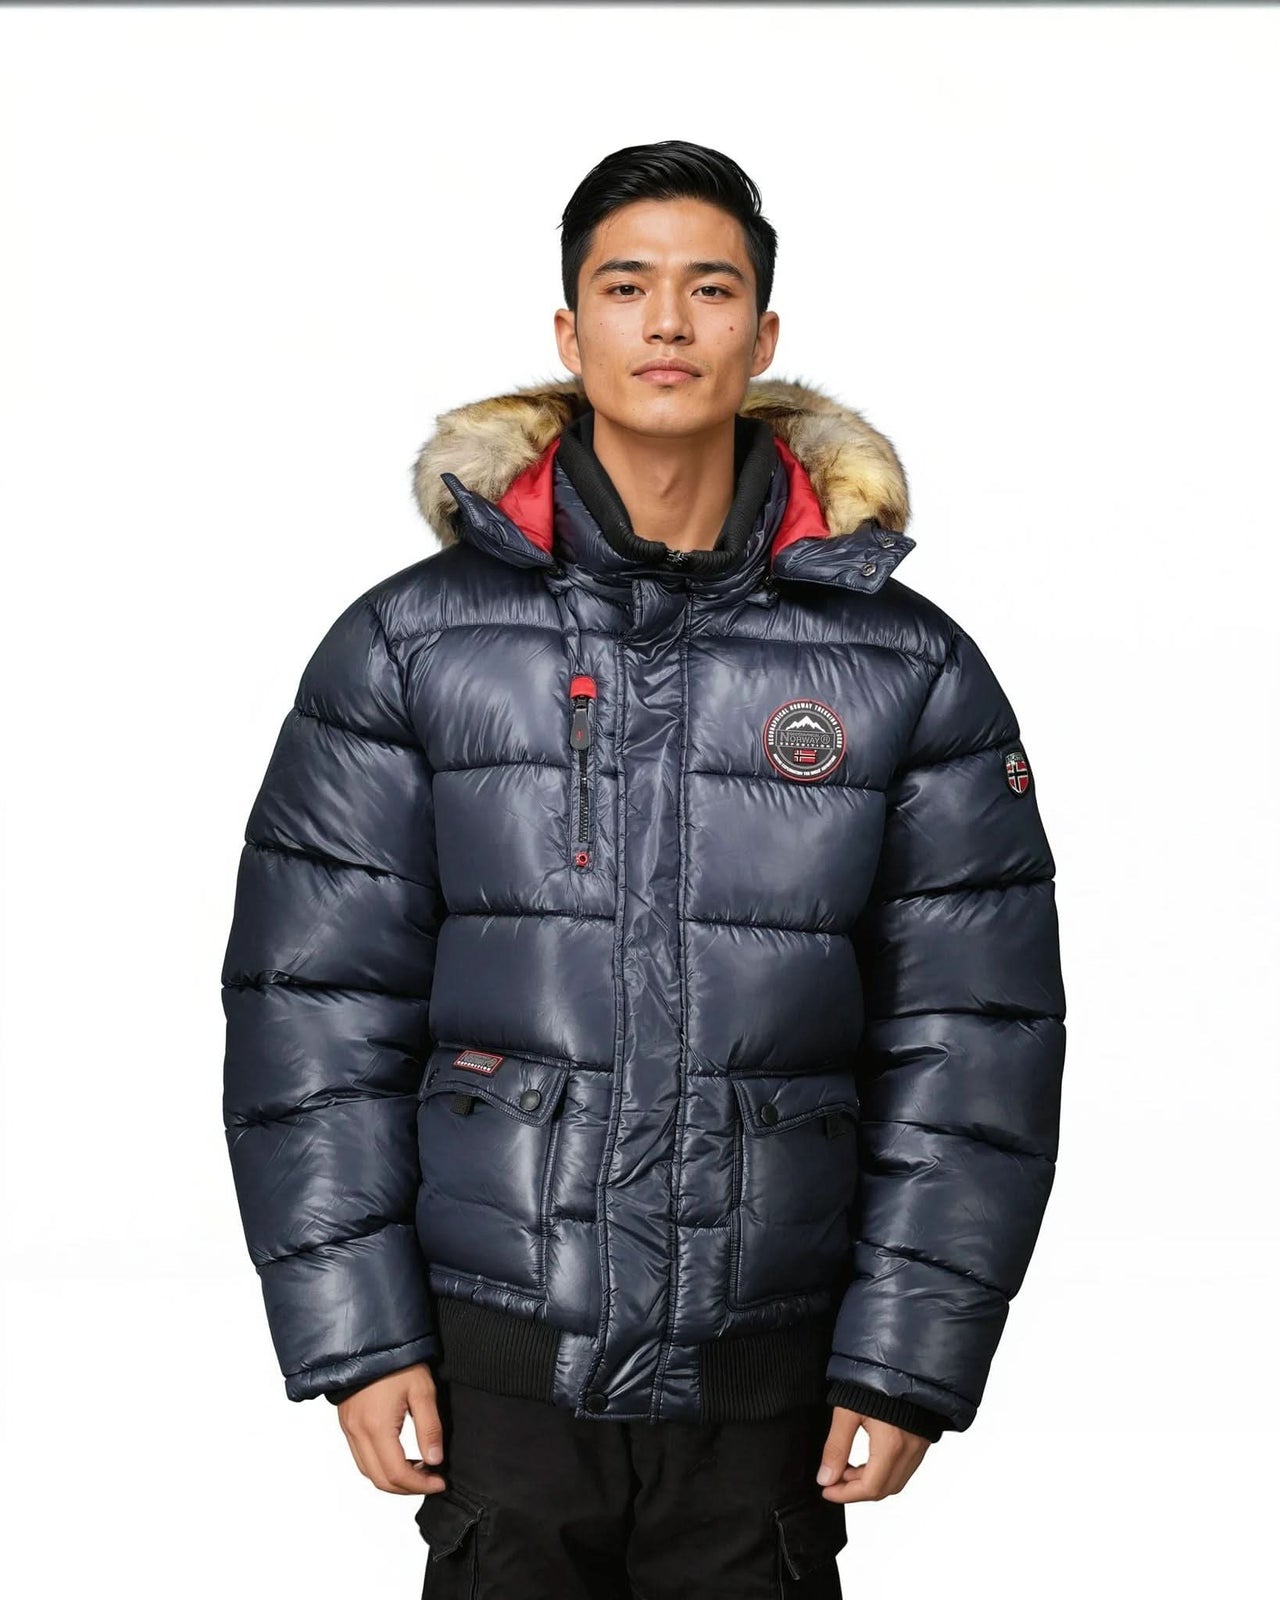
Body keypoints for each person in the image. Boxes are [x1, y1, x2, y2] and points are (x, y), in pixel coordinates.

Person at [220, 139, 1067, 1600]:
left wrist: (908, 1354)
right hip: (498, 1353)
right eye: (627, 286)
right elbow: (314, 1003)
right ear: (569, 332)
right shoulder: (412, 644)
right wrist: (355, 1332)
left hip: (771, 1371)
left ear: (765, 334)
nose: (668, 322)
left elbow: (974, 1037)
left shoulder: (907, 665)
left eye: (710, 289)